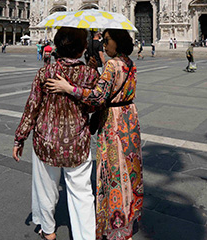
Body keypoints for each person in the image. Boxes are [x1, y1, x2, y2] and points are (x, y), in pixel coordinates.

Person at [46, 29, 143, 240]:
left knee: (113, 170)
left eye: (106, 41)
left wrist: (68, 88)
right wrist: (95, 73)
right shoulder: (129, 62)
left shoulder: (111, 64)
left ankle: (114, 224)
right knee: (129, 166)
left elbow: (98, 98)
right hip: (129, 117)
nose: (103, 45)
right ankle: (129, 215)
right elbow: (112, 87)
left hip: (114, 120)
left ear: (117, 42)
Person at [13, 27, 99, 240]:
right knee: (82, 193)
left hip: (46, 140)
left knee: (46, 189)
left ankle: (49, 231)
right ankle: (86, 236)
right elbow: (95, 105)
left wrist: (20, 138)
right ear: (82, 49)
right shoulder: (90, 74)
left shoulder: (45, 72)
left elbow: (32, 106)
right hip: (77, 141)